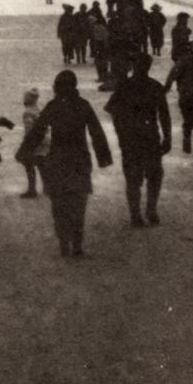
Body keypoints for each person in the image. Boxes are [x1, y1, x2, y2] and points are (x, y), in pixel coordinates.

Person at [16, 69, 112, 257]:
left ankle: (63, 244)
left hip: (57, 159)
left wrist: (24, 152)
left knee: (59, 204)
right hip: (79, 159)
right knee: (78, 203)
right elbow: (96, 132)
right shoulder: (83, 105)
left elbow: (37, 131)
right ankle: (77, 245)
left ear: (57, 88)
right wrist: (103, 157)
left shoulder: (53, 106)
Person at [106, 55, 173, 228]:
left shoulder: (124, 86)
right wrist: (167, 137)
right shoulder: (154, 86)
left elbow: (113, 111)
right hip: (148, 136)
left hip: (133, 138)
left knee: (135, 178)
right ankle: (149, 210)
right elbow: (164, 114)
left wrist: (121, 133)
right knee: (153, 176)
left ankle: (137, 214)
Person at [17, 88, 45, 198]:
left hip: (33, 141)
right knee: (41, 163)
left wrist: (26, 142)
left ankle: (32, 189)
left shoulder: (27, 112)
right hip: (43, 140)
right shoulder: (38, 109)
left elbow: (29, 129)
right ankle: (48, 187)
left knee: (28, 164)